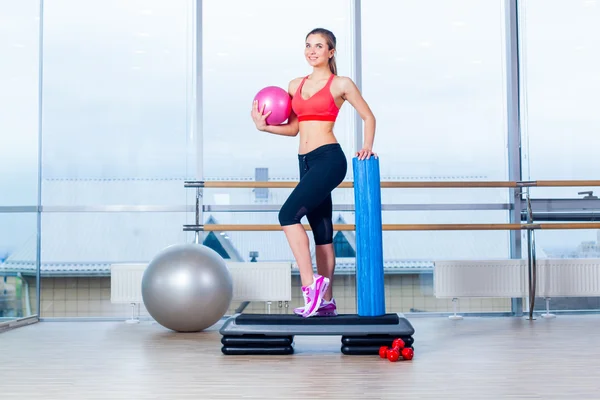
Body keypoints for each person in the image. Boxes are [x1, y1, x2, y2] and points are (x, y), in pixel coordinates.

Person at [251, 27, 376, 318]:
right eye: (308, 45)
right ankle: (326, 301)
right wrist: (265, 126)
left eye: (319, 46)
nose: (312, 50)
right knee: (322, 230)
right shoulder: (295, 85)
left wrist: (367, 147)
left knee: (287, 215)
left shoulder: (340, 84)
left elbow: (368, 116)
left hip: (329, 159)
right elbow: (295, 128)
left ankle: (311, 286)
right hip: (305, 161)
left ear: (331, 52)